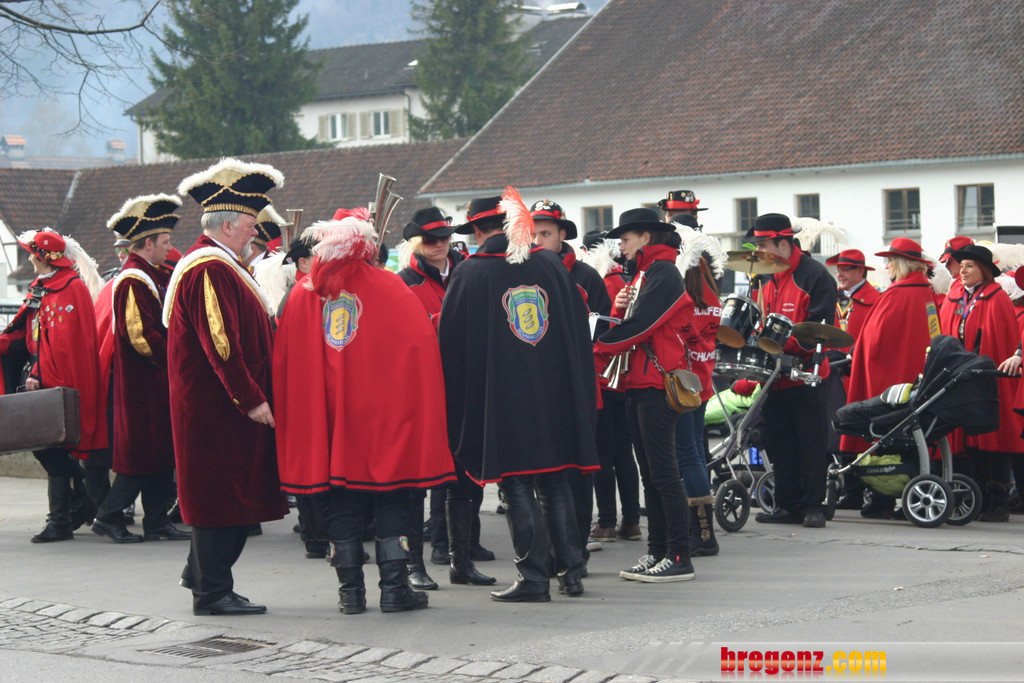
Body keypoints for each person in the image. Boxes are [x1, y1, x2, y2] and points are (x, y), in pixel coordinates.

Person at [273, 210, 457, 614]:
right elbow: (419, 354)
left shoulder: (304, 293)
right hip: (384, 419)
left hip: (332, 422)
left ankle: (350, 593)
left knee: (343, 505)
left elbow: (288, 364)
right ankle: (394, 589)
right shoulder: (390, 288)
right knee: (392, 501)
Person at [439, 191, 599, 602]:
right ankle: (571, 573)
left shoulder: (471, 273)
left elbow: (451, 345)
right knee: (555, 481)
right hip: (554, 392)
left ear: (478, 230)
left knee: (516, 486)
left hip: (503, 397)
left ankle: (533, 577)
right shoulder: (549, 263)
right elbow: (577, 327)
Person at [167, 158, 289, 616]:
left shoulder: (222, 265)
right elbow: (221, 344)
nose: (257, 232)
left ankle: (201, 576)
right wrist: (251, 398)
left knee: (227, 496)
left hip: (222, 406)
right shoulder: (210, 269)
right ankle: (212, 592)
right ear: (229, 225)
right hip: (218, 408)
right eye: (252, 224)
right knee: (221, 499)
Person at [594, 207, 696, 582]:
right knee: (651, 475)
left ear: (646, 238)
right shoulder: (646, 273)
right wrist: (618, 309)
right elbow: (634, 323)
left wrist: (595, 348)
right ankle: (657, 551)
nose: (620, 246)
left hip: (656, 382)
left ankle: (679, 555)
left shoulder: (663, 271)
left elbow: (642, 326)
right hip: (639, 381)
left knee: (664, 473)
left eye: (625, 239)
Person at [395, 206, 489, 590]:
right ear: (416, 243)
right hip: (422, 393)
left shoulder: (467, 272)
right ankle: (413, 565)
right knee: (418, 481)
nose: (439, 245)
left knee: (464, 479)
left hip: (465, 388)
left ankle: (460, 561)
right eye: (431, 239)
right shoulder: (403, 283)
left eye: (445, 238)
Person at [90, 194, 191, 544]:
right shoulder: (134, 278)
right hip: (142, 383)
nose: (168, 248)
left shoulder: (148, 274)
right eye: (164, 242)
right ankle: (108, 516)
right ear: (148, 243)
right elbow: (139, 335)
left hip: (152, 381)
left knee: (159, 453)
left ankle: (157, 520)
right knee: (139, 457)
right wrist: (174, 355)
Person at [0, 230, 107, 542]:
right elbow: (27, 331)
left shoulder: (70, 288)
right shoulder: (43, 286)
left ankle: (62, 518)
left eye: (32, 254)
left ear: (44, 257)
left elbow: (63, 345)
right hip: (40, 378)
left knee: (51, 446)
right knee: (44, 445)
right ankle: (79, 501)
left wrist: (38, 372)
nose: (29, 259)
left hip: (58, 379)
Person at [530, 199, 611, 561]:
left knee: (579, 470)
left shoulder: (586, 276)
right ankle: (549, 550)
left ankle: (576, 551)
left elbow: (604, 329)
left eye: (545, 233)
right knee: (542, 472)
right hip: (538, 388)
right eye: (533, 234)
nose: (537, 240)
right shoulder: (520, 272)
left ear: (562, 234)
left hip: (579, 387)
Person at [840, 238, 941, 517]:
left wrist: (856, 356)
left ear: (901, 263)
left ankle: (882, 500)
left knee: (885, 439)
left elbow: (873, 343)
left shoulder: (897, 294)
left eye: (889, 261)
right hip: (917, 377)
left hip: (890, 380)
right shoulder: (926, 293)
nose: (886, 266)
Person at [748, 213, 837, 528]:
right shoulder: (763, 276)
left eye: (762, 245)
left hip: (807, 374)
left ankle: (813, 506)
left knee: (810, 444)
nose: (758, 252)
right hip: (774, 376)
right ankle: (787, 505)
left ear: (782, 243)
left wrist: (786, 346)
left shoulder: (815, 275)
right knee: (780, 443)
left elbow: (821, 329)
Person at [940, 244, 1022, 522]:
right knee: (969, 439)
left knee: (992, 438)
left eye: (969, 266)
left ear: (984, 270)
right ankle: (975, 498)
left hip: (987, 379)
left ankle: (997, 501)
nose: (962, 271)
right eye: (961, 265)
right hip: (961, 378)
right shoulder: (956, 297)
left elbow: (1002, 341)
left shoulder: (997, 298)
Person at [580, 231, 642, 543]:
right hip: (623, 377)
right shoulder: (624, 279)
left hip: (601, 376)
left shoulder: (597, 281)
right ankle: (631, 520)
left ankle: (605, 521)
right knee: (623, 452)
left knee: (602, 452)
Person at [670, 214, 724, 557]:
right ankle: (704, 532)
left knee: (686, 455)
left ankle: (703, 534)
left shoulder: (682, 293)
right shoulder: (710, 290)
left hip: (681, 382)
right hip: (701, 380)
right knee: (693, 453)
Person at [824, 248, 881, 509]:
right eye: (838, 270)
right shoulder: (832, 298)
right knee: (838, 430)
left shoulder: (876, 299)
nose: (840, 274)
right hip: (835, 373)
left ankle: (866, 489)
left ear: (860, 271)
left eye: (846, 270)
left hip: (859, 372)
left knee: (861, 430)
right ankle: (850, 490)